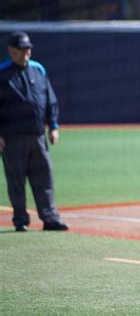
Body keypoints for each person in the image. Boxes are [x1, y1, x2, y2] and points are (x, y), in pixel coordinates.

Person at [0, 31, 68, 232]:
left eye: (28, 48)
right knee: (16, 180)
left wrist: (53, 126)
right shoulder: (2, 73)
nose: (26, 52)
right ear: (11, 50)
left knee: (44, 178)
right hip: (12, 138)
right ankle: (20, 219)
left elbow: (49, 99)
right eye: (21, 49)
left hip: (37, 136)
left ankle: (50, 218)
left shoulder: (38, 70)